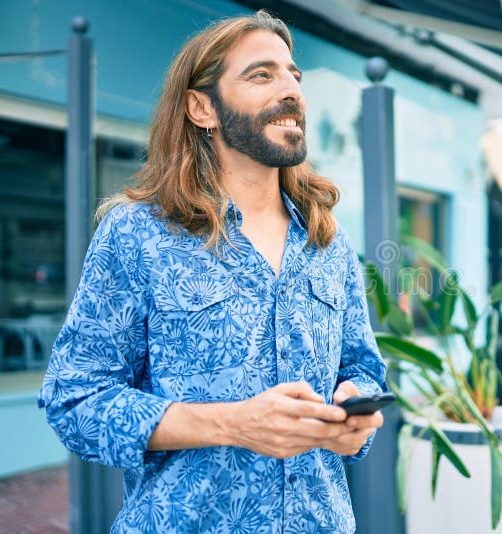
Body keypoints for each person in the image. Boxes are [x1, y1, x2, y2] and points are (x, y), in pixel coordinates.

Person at [38, 10, 387, 533]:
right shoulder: (138, 233)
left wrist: (352, 420)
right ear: (202, 107)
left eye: (294, 74)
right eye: (261, 74)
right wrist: (233, 424)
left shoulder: (328, 241)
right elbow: (75, 400)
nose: (291, 89)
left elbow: (363, 370)